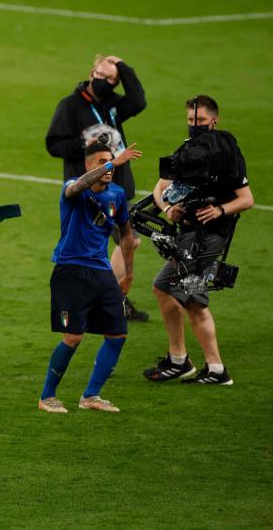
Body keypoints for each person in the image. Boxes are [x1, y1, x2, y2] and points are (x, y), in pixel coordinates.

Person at [143, 95, 253, 385]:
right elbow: (161, 187)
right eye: (191, 120)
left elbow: (247, 200)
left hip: (209, 238)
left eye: (201, 120)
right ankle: (208, 367)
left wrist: (219, 209)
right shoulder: (189, 151)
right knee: (191, 298)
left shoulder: (226, 155)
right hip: (190, 236)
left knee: (168, 287)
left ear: (214, 120)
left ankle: (184, 361)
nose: (195, 125)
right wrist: (169, 209)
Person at [38, 142, 141, 414]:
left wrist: (129, 273)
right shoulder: (73, 188)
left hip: (102, 272)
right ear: (88, 165)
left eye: (110, 161)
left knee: (117, 334)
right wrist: (113, 164)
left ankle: (91, 396)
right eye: (101, 162)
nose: (108, 167)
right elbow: (76, 187)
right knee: (73, 337)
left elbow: (126, 233)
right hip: (70, 271)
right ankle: (47, 396)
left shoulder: (117, 195)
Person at [46, 54, 149, 322]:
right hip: (88, 189)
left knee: (119, 242)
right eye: (100, 75)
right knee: (125, 241)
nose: (104, 82)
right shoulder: (71, 106)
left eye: (111, 79)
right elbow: (53, 145)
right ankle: (111, 300)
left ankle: (111, 300)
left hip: (118, 185)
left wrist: (123, 67)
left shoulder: (113, 105)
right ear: (91, 72)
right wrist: (86, 143)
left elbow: (138, 100)